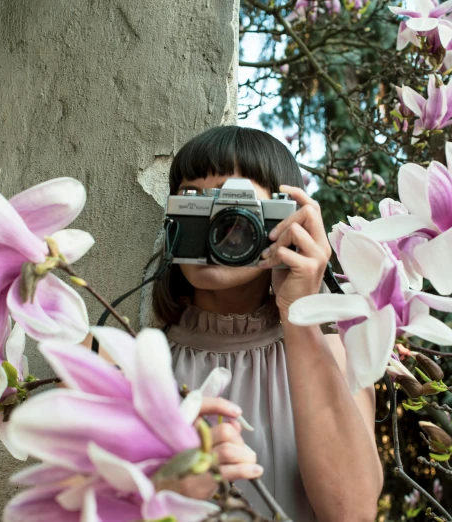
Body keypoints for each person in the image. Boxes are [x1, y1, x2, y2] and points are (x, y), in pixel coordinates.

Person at [150, 125, 383, 522]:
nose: (214, 224)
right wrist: (158, 493)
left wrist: (300, 312)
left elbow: (352, 514)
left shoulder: (338, 354)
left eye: (231, 205)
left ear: (286, 224)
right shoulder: (137, 363)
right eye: (192, 197)